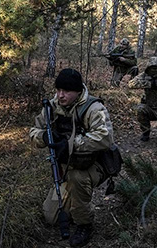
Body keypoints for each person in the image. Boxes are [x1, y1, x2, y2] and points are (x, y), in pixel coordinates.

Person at [30, 68, 114, 247]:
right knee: (51, 216)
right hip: (67, 166)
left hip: (94, 165)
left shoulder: (93, 108)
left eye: (66, 91)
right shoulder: (52, 107)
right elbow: (34, 131)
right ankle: (73, 206)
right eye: (58, 90)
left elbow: (105, 138)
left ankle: (85, 224)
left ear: (77, 91)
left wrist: (70, 144)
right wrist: (44, 137)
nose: (61, 95)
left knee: (77, 179)